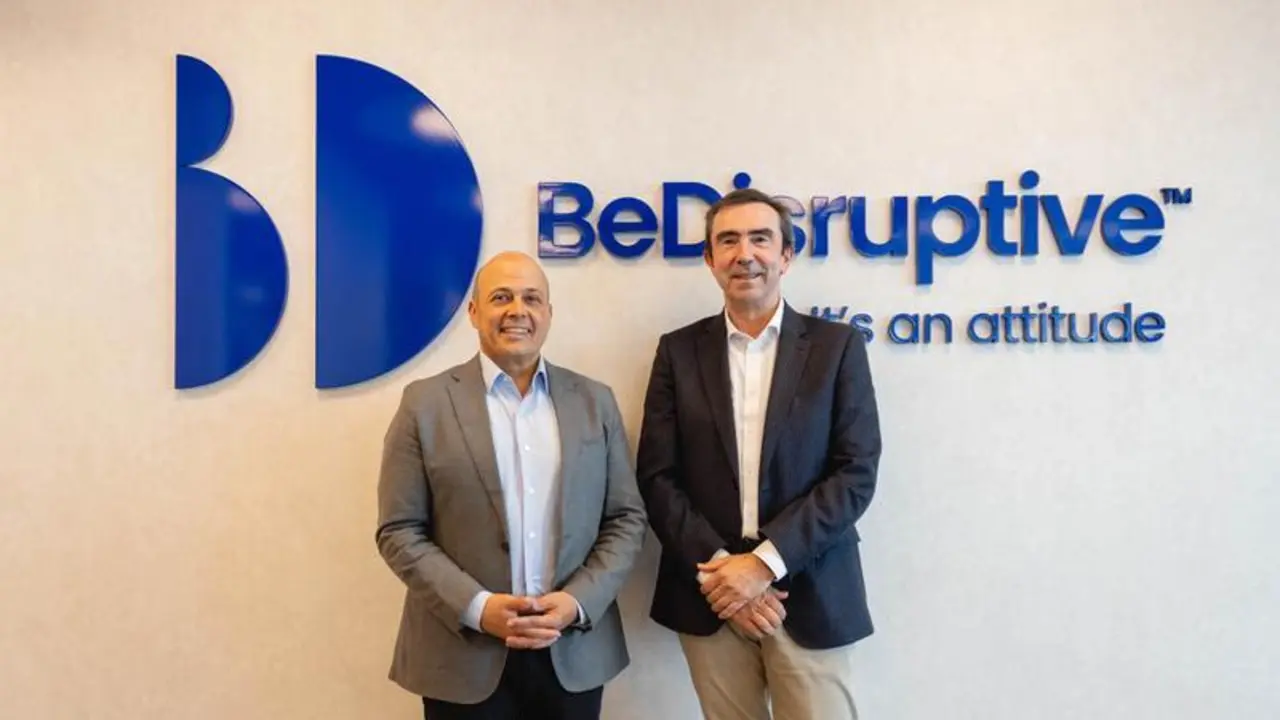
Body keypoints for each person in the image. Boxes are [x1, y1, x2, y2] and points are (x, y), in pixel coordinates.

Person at [637, 188, 883, 719]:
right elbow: (657, 476)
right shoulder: (678, 352)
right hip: (711, 595)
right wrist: (726, 575)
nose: (744, 253)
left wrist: (764, 565)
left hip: (811, 593)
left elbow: (855, 473)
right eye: (728, 241)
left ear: (786, 256)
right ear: (709, 259)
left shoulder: (837, 347)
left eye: (760, 239)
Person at [376, 251, 647, 719]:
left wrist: (576, 602)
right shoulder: (424, 404)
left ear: (548, 313)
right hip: (461, 655)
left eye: (531, 298)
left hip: (572, 649)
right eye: (501, 297)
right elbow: (399, 530)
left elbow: (626, 518)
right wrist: (477, 607)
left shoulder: (594, 401)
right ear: (473, 311)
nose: (517, 310)